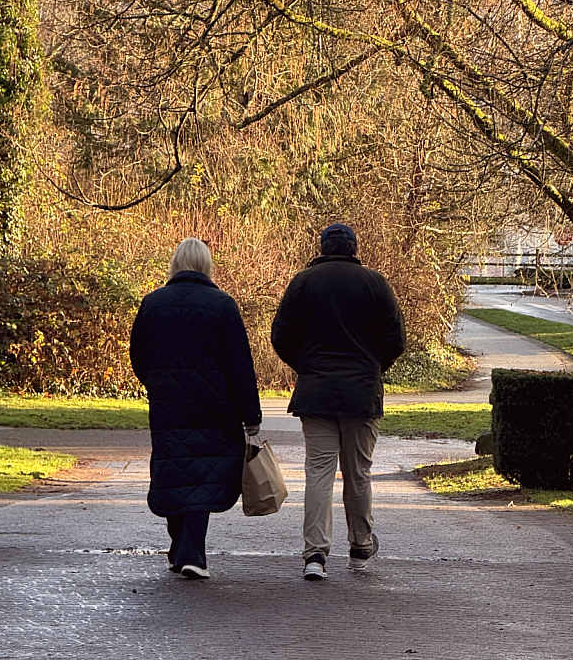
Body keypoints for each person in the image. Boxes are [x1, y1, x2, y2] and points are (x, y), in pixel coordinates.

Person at [271, 223, 406, 581]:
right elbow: (395, 338)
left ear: (322, 247)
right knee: (358, 471)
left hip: (316, 392)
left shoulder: (303, 282)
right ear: (353, 248)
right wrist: (374, 367)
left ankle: (315, 553)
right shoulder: (375, 284)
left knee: (319, 472)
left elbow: (281, 334)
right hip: (361, 393)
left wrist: (306, 366)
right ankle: (361, 544)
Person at [130, 237, 262, 580]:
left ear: (175, 264)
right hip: (216, 406)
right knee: (201, 474)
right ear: (207, 265)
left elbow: (138, 356)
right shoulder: (222, 305)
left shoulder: (153, 304)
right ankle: (192, 555)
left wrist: (158, 383)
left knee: (176, 469)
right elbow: (239, 365)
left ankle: (181, 548)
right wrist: (251, 417)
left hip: (168, 403)